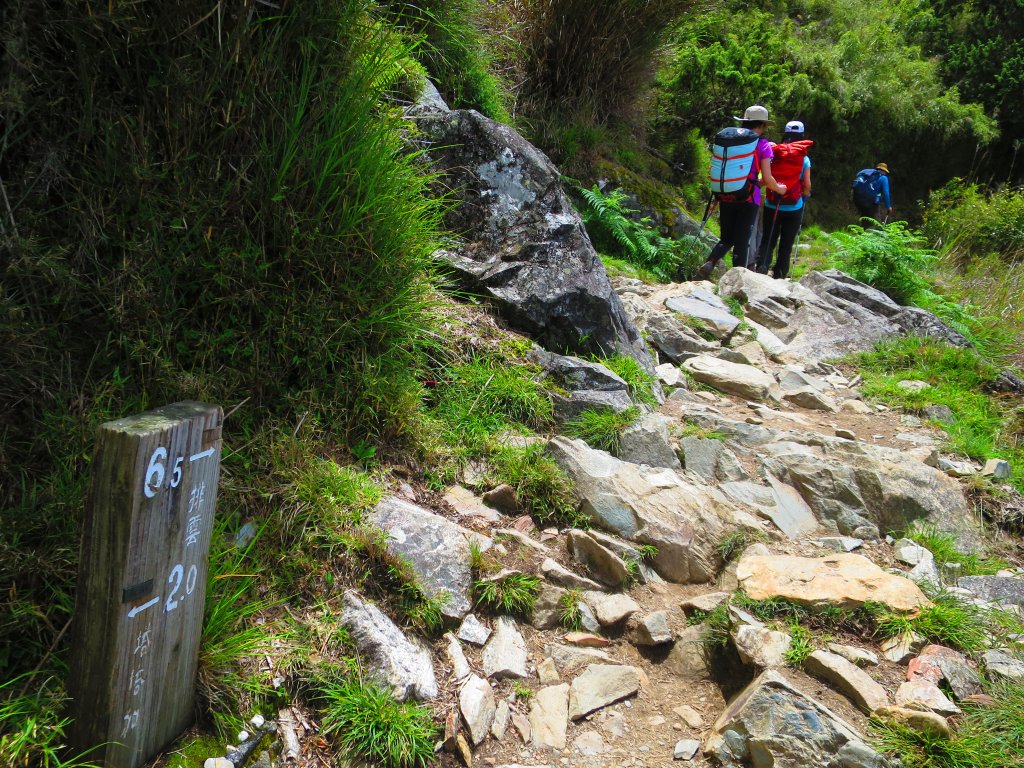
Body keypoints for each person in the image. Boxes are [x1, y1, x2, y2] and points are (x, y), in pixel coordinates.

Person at [696, 105, 787, 280]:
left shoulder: (730, 141)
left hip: (726, 193)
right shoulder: (762, 145)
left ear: (745, 122)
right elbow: (767, 178)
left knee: (726, 238)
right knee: (741, 242)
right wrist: (779, 188)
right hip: (748, 198)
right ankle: (737, 283)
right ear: (762, 125)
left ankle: (710, 261)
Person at [755, 120, 812, 279]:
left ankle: (762, 266)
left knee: (768, 238)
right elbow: (807, 184)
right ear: (801, 136)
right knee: (786, 244)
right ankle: (780, 273)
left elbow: (766, 177)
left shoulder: (774, 152)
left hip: (772, 204)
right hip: (794, 206)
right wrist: (805, 194)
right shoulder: (804, 158)